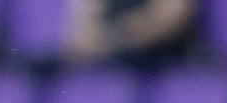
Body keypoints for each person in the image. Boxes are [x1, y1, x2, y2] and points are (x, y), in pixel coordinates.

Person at [65, 0, 200, 71]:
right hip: (113, 48)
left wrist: (124, 37)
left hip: (161, 50)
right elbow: (87, 25)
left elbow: (173, 18)